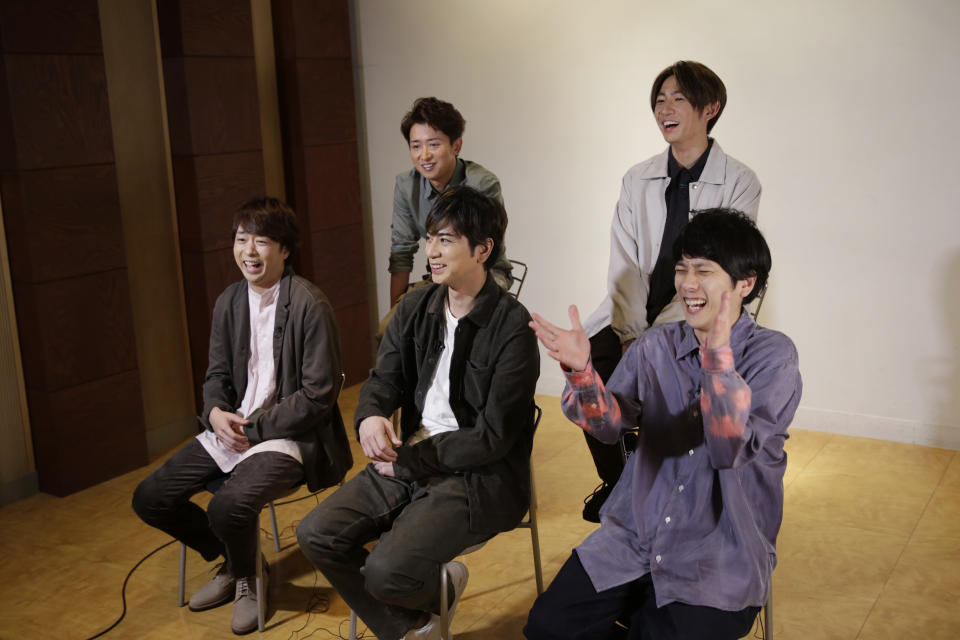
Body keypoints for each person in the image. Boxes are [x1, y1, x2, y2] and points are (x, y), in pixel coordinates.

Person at [524, 210, 801, 640]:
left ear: (745, 283)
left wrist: (717, 362)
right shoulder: (656, 345)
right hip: (633, 538)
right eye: (682, 269)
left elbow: (729, 449)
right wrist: (582, 374)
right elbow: (609, 426)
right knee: (547, 628)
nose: (688, 285)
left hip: (718, 556)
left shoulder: (773, 357)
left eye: (704, 271)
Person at [297, 186, 539, 640]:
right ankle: (415, 619)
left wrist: (408, 460)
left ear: (483, 249)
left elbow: (491, 438)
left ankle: (421, 595)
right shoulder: (415, 306)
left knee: (386, 571)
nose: (431, 251)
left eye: (445, 240)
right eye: (430, 238)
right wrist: (370, 415)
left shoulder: (512, 328)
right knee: (316, 533)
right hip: (411, 455)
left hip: (477, 476)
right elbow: (382, 378)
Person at [132, 197, 352, 635]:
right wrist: (214, 413)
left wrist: (254, 429)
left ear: (285, 250)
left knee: (228, 504)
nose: (249, 250)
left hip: (289, 435)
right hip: (231, 428)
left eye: (263, 241)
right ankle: (237, 563)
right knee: (151, 498)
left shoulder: (310, 304)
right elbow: (215, 374)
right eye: (241, 238)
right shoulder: (229, 301)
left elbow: (317, 396)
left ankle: (250, 578)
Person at [580, 61, 763, 522]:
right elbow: (622, 263)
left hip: (699, 318)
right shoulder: (636, 178)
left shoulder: (740, 181)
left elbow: (722, 269)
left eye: (679, 98)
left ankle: (670, 492)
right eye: (659, 99)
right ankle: (623, 483)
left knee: (672, 384)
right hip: (633, 315)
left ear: (710, 108)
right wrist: (627, 333)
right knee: (588, 368)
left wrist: (650, 340)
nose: (666, 108)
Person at [388, 96, 512, 308]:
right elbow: (401, 253)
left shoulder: (482, 184)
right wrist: (396, 316)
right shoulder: (406, 185)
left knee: (458, 326)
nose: (424, 155)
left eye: (433, 145)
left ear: (456, 146)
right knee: (389, 331)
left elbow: (486, 252)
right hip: (440, 278)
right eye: (416, 146)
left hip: (484, 274)